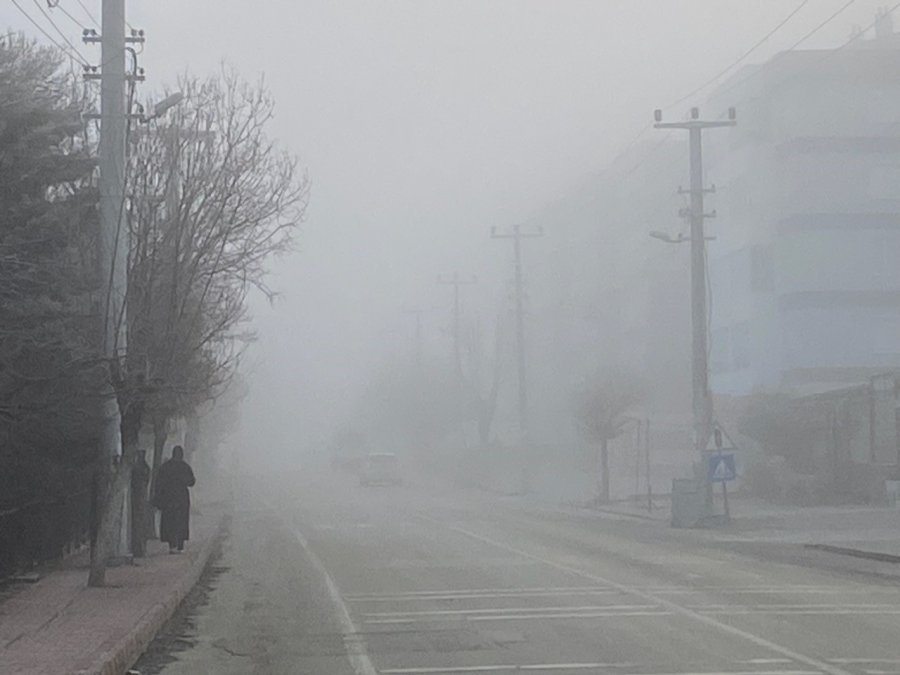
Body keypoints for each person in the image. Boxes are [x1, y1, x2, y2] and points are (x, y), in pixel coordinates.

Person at [153, 445, 196, 553]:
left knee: (170, 522)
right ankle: (180, 545)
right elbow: (192, 482)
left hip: (169, 498)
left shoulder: (165, 467)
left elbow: (159, 483)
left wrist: (159, 497)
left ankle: (172, 545)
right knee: (180, 521)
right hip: (180, 498)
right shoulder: (185, 467)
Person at [130, 449, 151, 557]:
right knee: (139, 523)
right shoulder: (142, 468)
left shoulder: (139, 468)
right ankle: (139, 549)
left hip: (139, 498)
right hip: (139, 498)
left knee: (140, 523)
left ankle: (140, 548)